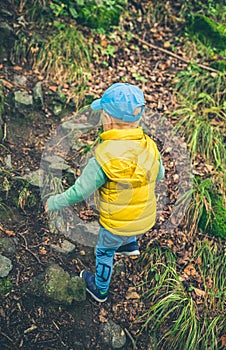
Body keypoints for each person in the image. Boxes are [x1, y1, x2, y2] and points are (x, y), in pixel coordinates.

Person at [45, 83, 164, 303]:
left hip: (116, 224)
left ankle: (99, 289)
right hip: (145, 220)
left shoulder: (103, 157)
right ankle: (129, 244)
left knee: (104, 252)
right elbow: (160, 174)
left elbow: (79, 192)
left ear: (107, 120)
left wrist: (55, 202)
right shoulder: (150, 146)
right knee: (129, 219)